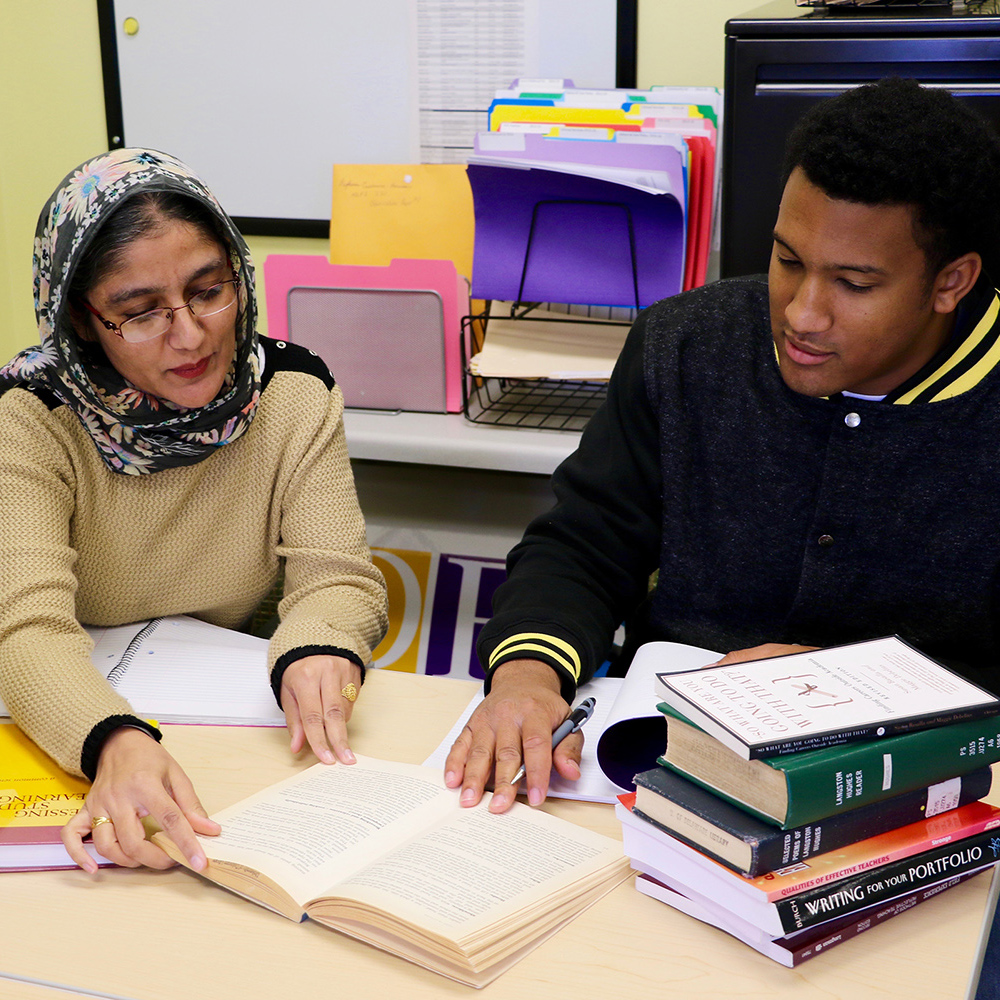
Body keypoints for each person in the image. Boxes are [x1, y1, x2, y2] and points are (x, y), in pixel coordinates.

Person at [445, 77, 1000, 813]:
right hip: (657, 768)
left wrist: (852, 686)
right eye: (788, 260)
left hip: (913, 791)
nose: (803, 314)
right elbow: (583, 543)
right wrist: (525, 676)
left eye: (854, 284)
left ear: (950, 282)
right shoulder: (684, 345)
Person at [0, 149, 388, 870]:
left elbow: (338, 579)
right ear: (82, 321)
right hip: (77, 721)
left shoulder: (292, 390)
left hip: (233, 730)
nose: (191, 335)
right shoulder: (31, 415)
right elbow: (26, 629)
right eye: (139, 312)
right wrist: (114, 740)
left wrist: (320, 648)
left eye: (210, 290)